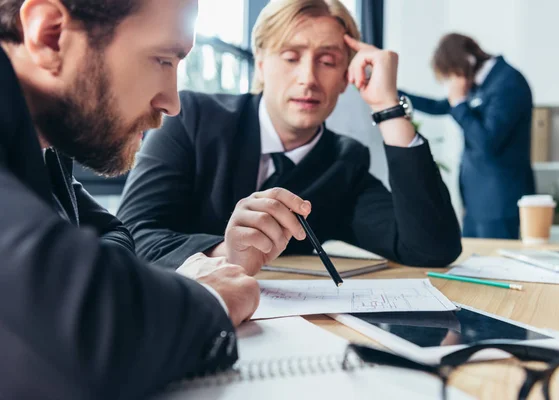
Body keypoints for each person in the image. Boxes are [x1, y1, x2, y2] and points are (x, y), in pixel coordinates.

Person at [0, 0, 310, 397]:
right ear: (51, 35)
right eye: (163, 59)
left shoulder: (43, 139)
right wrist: (210, 299)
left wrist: (105, 276)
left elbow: (111, 231)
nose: (172, 102)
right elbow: (89, 334)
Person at [117, 0, 463, 276]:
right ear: (262, 64)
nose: (307, 78)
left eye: (327, 61)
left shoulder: (344, 161)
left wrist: (389, 107)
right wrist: (227, 253)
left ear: (347, 77)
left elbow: (430, 248)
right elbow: (131, 237)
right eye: (291, 57)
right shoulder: (191, 118)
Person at [398, 33, 535, 239]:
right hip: (475, 203)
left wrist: (460, 104)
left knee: (495, 269)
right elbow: (438, 106)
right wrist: (391, 92)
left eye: (451, 75)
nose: (451, 83)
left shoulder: (507, 83)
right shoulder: (479, 85)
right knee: (472, 266)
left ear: (465, 63)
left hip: (499, 203)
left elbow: (486, 142)